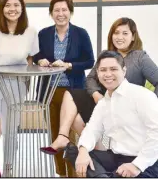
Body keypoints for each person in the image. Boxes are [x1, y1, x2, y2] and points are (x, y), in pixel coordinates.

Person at [44, 17, 158, 162]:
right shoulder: (107, 54)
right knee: (72, 100)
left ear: (133, 36)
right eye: (116, 33)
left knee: (79, 116)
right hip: (103, 101)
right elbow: (90, 78)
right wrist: (96, 94)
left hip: (126, 105)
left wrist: (150, 104)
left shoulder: (140, 57)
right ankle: (65, 137)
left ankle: (100, 152)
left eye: (125, 33)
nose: (120, 37)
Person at [64, 50, 158, 178]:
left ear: (124, 71)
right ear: (97, 73)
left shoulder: (142, 96)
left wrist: (136, 165)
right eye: (103, 70)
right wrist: (83, 150)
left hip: (147, 163)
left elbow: (156, 134)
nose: (108, 74)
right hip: (116, 158)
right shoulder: (104, 102)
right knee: (74, 152)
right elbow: (92, 129)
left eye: (113, 69)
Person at [33, 0, 94, 177]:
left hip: (73, 91)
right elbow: (36, 56)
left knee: (71, 134)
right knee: (55, 134)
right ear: (51, 13)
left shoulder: (80, 34)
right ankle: (61, 173)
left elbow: (90, 61)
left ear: (71, 12)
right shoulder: (43, 34)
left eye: (64, 10)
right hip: (49, 91)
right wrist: (40, 60)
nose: (61, 14)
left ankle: (75, 172)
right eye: (57, 10)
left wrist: (69, 65)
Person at [0, 0, 39, 177]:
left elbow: (31, 59)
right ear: (1, 8)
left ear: (22, 7)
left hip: (17, 84)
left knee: (11, 129)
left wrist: (26, 83)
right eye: (7, 5)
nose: (12, 9)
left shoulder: (30, 31)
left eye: (16, 5)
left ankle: (9, 168)